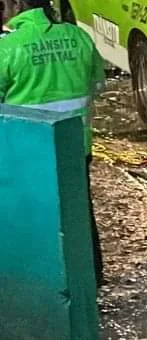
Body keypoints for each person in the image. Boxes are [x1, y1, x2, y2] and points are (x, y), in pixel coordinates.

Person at [0, 0, 106, 286]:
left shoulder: (8, 47)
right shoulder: (78, 36)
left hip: (28, 149)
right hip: (75, 146)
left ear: (18, 5)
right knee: (80, 211)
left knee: (35, 214)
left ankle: (44, 282)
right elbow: (98, 84)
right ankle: (91, 276)